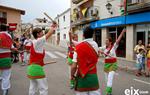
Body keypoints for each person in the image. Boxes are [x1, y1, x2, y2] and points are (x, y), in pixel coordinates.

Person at [27, 22, 57, 95]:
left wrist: (40, 63)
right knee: (43, 88)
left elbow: (31, 57)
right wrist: (53, 26)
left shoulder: (34, 42)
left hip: (31, 68)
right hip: (37, 69)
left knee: (32, 88)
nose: (43, 33)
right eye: (41, 32)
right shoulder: (38, 41)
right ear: (38, 34)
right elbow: (48, 34)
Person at [71, 26, 101, 95]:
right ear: (93, 35)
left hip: (82, 78)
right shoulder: (96, 45)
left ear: (83, 35)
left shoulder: (78, 47)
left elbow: (74, 66)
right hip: (93, 78)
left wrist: (72, 75)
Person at [99, 29, 126, 95]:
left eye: (107, 41)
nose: (106, 42)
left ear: (110, 42)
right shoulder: (104, 48)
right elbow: (97, 49)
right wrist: (100, 51)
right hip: (106, 65)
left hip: (113, 64)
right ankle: (109, 92)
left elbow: (118, 40)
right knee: (107, 80)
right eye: (105, 41)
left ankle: (107, 92)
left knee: (110, 78)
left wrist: (122, 33)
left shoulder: (114, 47)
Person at [0, 25, 14, 95]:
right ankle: (5, 91)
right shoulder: (8, 35)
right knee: (6, 76)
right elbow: (11, 47)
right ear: (6, 29)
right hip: (5, 57)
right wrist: (16, 49)